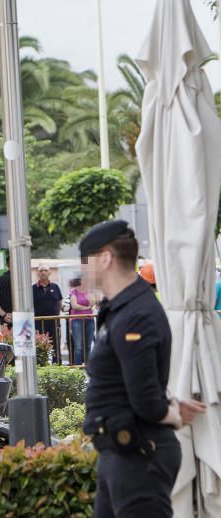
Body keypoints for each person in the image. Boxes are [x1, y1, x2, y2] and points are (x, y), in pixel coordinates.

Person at [79, 220, 206, 517]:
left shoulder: (135, 314)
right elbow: (131, 382)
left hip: (138, 456)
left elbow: (146, 398)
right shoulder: (123, 308)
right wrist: (172, 405)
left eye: (86, 259)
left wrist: (172, 414)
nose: (82, 268)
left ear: (106, 258)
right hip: (122, 452)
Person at [33, 265, 63, 364]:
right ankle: (41, 366)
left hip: (54, 321)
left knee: (56, 344)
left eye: (46, 270)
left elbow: (59, 301)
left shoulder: (55, 287)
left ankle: (58, 365)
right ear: (38, 273)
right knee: (40, 345)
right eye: (41, 270)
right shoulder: (33, 288)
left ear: (49, 273)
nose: (43, 272)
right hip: (38, 321)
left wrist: (57, 315)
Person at [68, 276, 96, 365]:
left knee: (88, 345)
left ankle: (88, 366)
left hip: (89, 319)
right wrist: (87, 308)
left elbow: (93, 304)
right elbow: (74, 305)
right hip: (77, 320)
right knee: (78, 346)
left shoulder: (90, 291)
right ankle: (78, 366)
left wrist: (90, 298)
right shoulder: (74, 291)